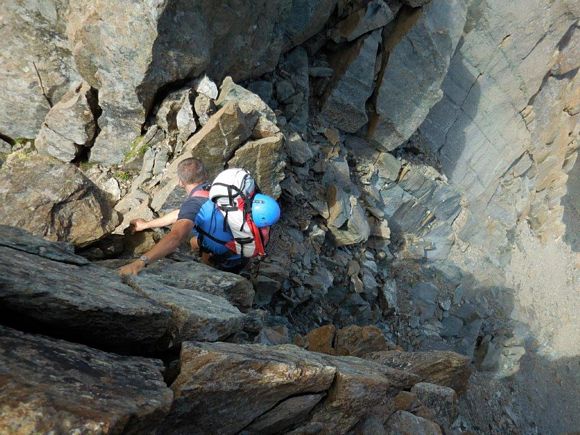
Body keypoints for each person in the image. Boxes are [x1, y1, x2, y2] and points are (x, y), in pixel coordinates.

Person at [118, 157, 209, 276]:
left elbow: (176, 237)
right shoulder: (216, 189)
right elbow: (179, 214)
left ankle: (211, 270)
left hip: (232, 252)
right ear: (206, 175)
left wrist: (140, 263)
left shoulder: (193, 203)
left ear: (181, 182)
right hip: (239, 238)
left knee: (197, 242)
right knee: (195, 241)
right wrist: (146, 224)